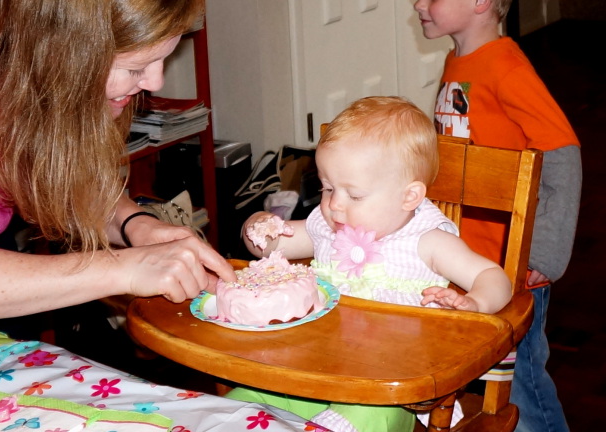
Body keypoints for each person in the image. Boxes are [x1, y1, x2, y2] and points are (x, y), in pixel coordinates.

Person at [0, 1, 323, 431]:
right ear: (59, 46)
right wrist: (118, 269)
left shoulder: (22, 60)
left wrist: (135, 225)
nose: (156, 80)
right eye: (137, 66)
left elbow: (63, 172)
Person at [229, 96, 513, 432]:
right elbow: (270, 247)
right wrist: (258, 229)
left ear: (409, 196)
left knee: (356, 421)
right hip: (310, 370)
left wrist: (475, 302)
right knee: (235, 405)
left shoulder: (428, 241)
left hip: (388, 389)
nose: (334, 204)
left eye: (354, 195)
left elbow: (493, 276)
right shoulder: (327, 225)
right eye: (327, 187)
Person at [413, 1, 582, 431]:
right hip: (470, 262)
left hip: (510, 268)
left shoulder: (506, 67)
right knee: (485, 378)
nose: (418, 4)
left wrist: (541, 253)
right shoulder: (458, 60)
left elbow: (563, 155)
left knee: (519, 384)